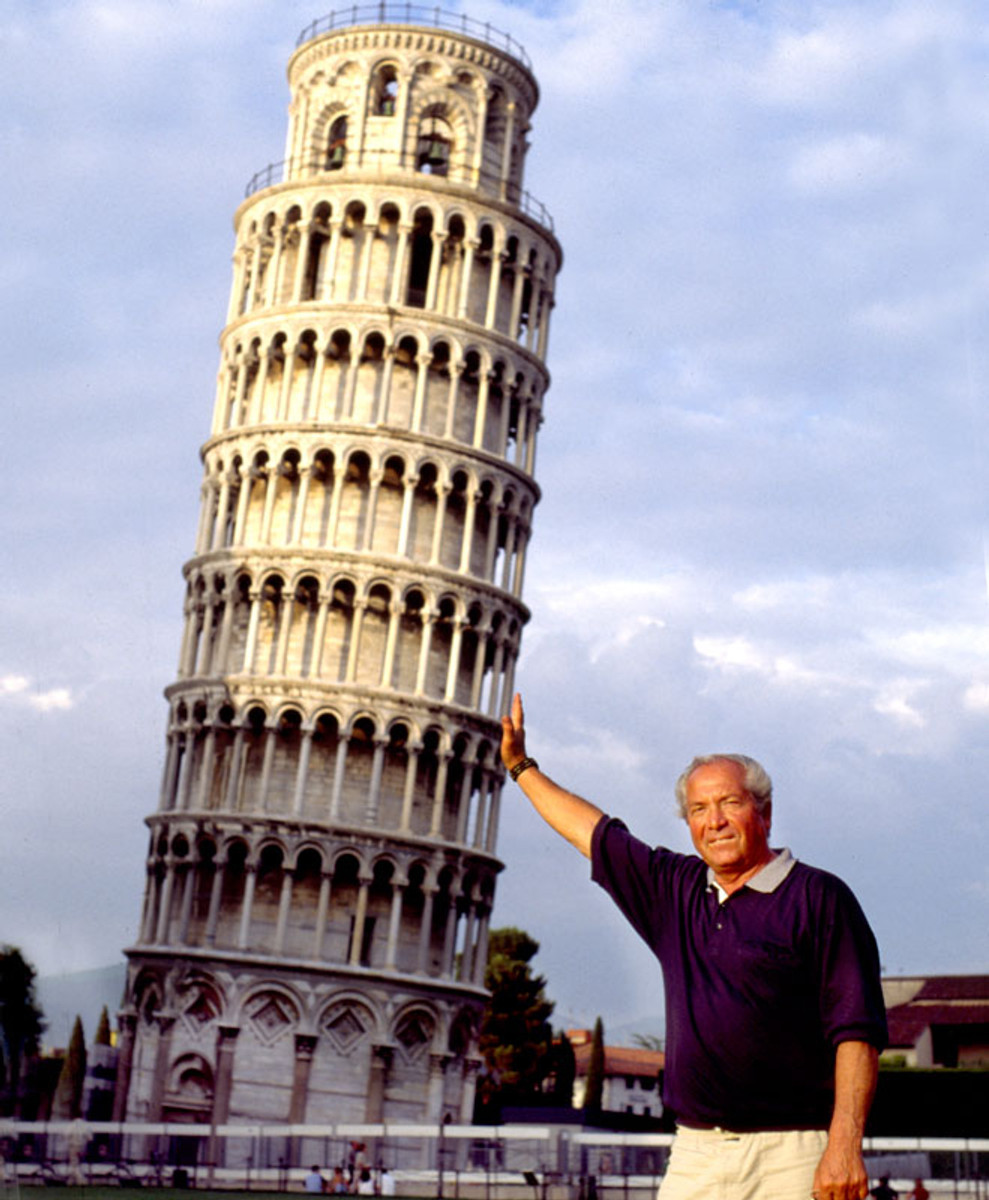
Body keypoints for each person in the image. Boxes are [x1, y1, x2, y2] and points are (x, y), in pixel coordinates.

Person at [501, 694, 887, 1200]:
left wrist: (844, 1146)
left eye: (730, 803)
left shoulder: (820, 897)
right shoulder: (674, 889)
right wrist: (521, 766)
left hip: (795, 1155)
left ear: (765, 812)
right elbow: (590, 831)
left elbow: (857, 1034)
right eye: (699, 809)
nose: (715, 821)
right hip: (695, 1155)